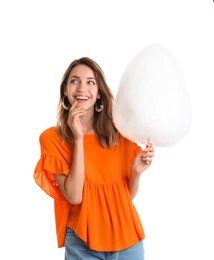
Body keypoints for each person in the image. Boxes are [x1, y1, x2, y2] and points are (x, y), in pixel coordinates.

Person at [34, 57, 154, 259]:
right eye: (74, 81)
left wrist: (135, 173)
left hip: (129, 239)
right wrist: (79, 139)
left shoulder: (121, 134)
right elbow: (74, 196)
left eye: (90, 82)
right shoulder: (52, 139)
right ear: (65, 90)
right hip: (83, 242)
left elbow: (126, 198)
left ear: (99, 93)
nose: (82, 88)